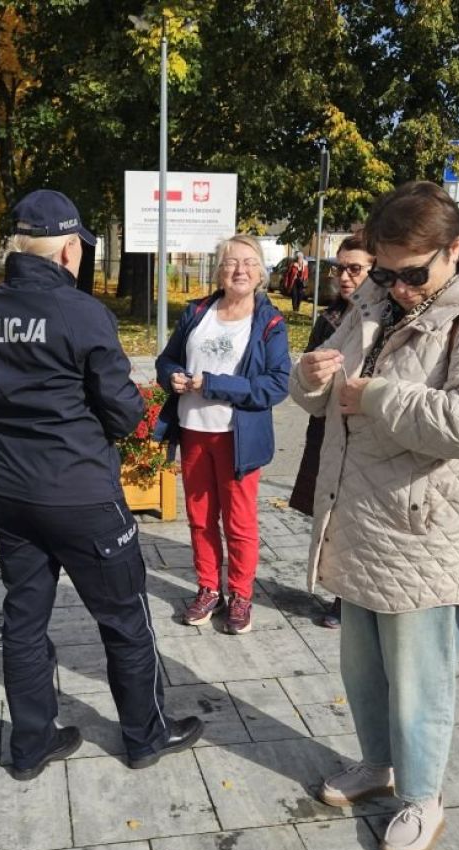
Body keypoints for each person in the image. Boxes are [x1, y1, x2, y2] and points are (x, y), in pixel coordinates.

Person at [291, 181, 459, 850]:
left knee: (419, 675)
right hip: (362, 514)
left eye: (413, 274)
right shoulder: (373, 295)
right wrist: (311, 375)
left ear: (452, 250)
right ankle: (378, 763)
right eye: (386, 272)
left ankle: (423, 797)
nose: (398, 288)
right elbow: (318, 394)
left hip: (430, 530)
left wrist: (376, 395)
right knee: (362, 663)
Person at [0, 189, 203, 781]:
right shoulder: (81, 311)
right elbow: (122, 413)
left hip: (11, 489)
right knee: (123, 618)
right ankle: (145, 735)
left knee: (23, 621)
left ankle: (31, 744)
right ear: (69, 248)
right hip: (81, 494)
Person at [155, 234, 291, 635]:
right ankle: (208, 588)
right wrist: (172, 376)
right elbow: (167, 359)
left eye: (249, 262)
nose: (240, 270)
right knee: (200, 519)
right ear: (219, 270)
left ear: (261, 272)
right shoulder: (198, 311)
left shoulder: (269, 322)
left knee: (239, 522)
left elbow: (276, 385)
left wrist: (214, 384)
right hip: (194, 431)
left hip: (237, 437)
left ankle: (241, 595)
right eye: (231, 262)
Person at [288, 233, 373, 630]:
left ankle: (350, 598)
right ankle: (339, 591)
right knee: (330, 513)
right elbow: (309, 366)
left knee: (357, 514)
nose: (344, 276)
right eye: (340, 268)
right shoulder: (330, 318)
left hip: (365, 430)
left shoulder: (378, 320)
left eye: (354, 268)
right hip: (326, 427)